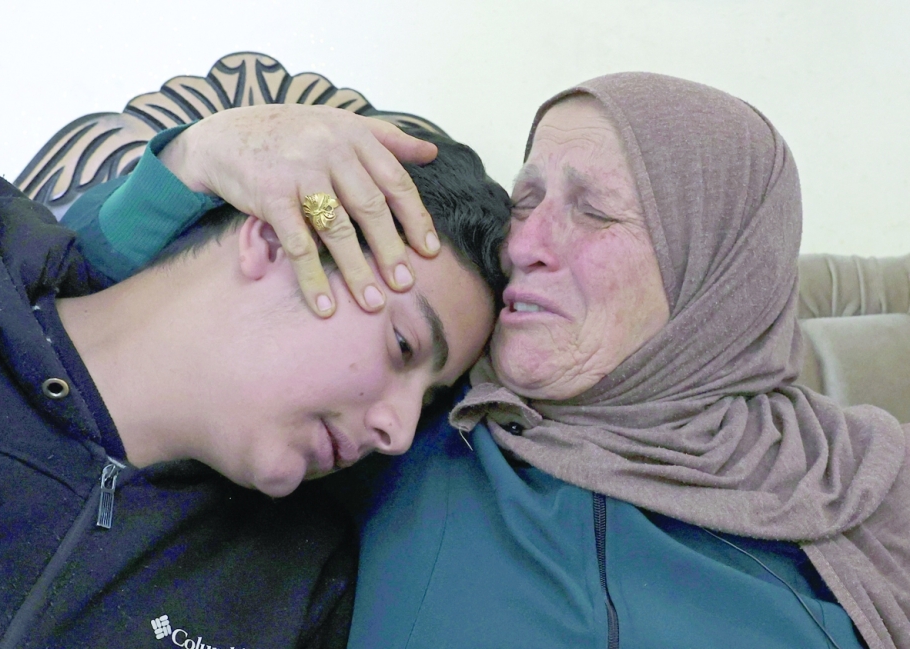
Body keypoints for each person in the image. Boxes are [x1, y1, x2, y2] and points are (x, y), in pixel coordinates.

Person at [76, 73, 910, 649]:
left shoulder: (859, 484)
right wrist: (197, 158)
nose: (527, 243)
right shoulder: (415, 425)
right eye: (529, 198)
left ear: (719, 277)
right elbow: (76, 336)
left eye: (595, 211)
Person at [0, 126, 509, 648]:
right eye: (404, 346)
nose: (399, 432)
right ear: (278, 238)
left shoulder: (299, 587)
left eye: (429, 401)